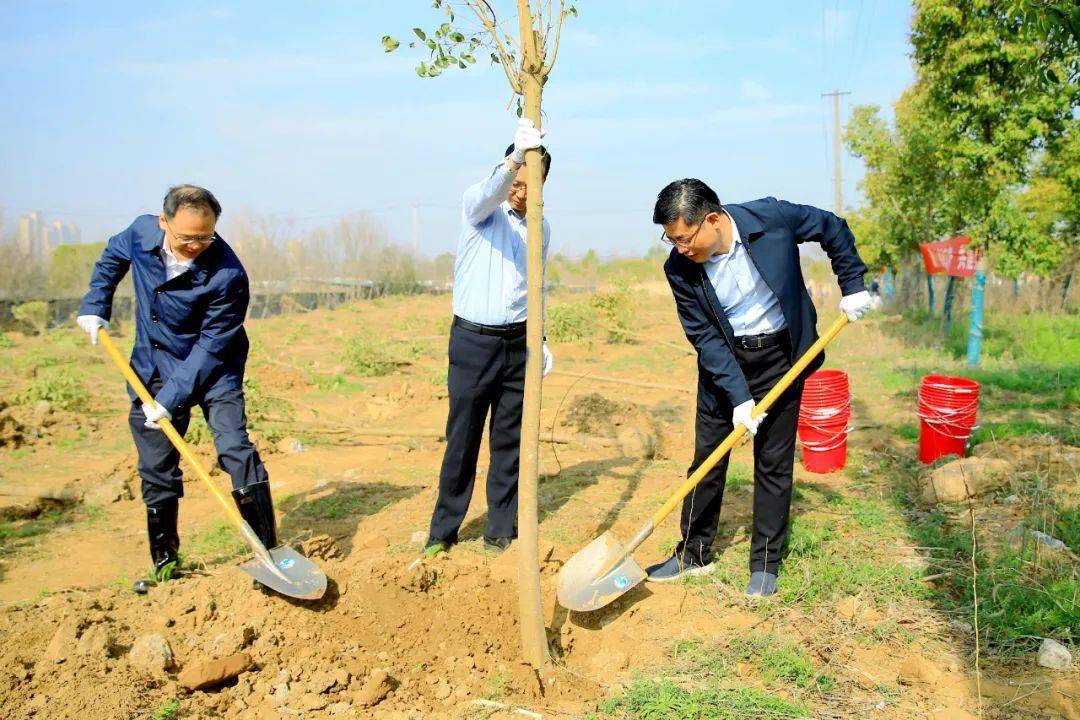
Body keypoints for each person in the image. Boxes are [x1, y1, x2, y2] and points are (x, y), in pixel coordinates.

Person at [648, 179, 872, 597]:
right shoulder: (678, 268)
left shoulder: (771, 218)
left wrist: (853, 283)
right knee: (707, 459)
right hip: (726, 366)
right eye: (671, 239)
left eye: (684, 238)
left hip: (782, 357)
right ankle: (693, 554)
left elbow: (833, 227)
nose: (680, 248)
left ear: (712, 220)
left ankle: (765, 562)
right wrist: (739, 398)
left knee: (773, 460)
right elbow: (704, 338)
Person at [76, 185, 276, 593]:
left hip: (214, 367)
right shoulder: (139, 233)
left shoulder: (229, 274)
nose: (195, 246)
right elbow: (112, 259)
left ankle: (270, 554)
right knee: (157, 467)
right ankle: (166, 564)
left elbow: (212, 343)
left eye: (205, 237)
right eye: (186, 238)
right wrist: (95, 306)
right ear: (163, 222)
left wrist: (170, 400)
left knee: (235, 447)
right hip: (152, 369)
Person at [424, 119, 553, 556]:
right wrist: (517, 157)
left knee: (509, 440)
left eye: (531, 184)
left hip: (517, 345)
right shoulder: (479, 212)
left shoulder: (541, 227)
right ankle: (442, 532)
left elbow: (537, 285)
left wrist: (542, 337)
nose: (521, 191)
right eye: (517, 182)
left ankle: (500, 529)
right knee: (462, 439)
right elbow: (490, 191)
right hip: (473, 343)